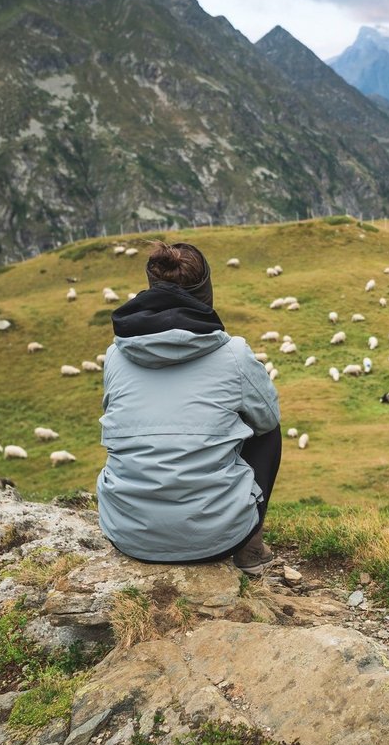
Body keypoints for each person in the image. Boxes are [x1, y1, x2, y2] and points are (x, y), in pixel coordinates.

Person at [96, 241, 281, 574]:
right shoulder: (233, 354)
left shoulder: (115, 355)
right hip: (218, 538)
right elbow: (267, 419)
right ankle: (251, 548)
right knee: (266, 431)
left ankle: (145, 516)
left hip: (127, 534)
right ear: (205, 291)